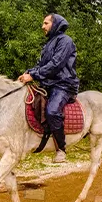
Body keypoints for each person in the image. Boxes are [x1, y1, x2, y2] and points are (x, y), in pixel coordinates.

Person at [18, 14, 79, 163]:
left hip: (64, 85)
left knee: (52, 111)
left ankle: (61, 149)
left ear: (55, 24)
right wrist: (28, 72)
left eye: (45, 23)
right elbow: (41, 66)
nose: (42, 27)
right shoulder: (48, 44)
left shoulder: (66, 41)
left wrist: (34, 76)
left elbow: (56, 64)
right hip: (48, 85)